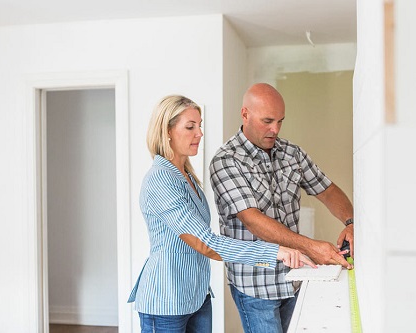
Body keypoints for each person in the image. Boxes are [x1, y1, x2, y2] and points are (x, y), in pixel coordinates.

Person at [127, 94, 315, 333]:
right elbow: (207, 244)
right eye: (190, 127)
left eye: (200, 125)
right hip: (166, 301)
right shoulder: (160, 180)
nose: (199, 133)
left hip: (197, 296)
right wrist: (275, 251)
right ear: (167, 131)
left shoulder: (186, 176)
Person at [209, 83, 355, 333]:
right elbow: (253, 220)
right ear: (245, 114)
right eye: (267, 121)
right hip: (255, 286)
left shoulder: (292, 154)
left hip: (294, 278)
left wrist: (351, 223)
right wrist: (312, 247)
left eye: (280, 121)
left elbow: (327, 190)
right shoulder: (226, 161)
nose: (274, 129)